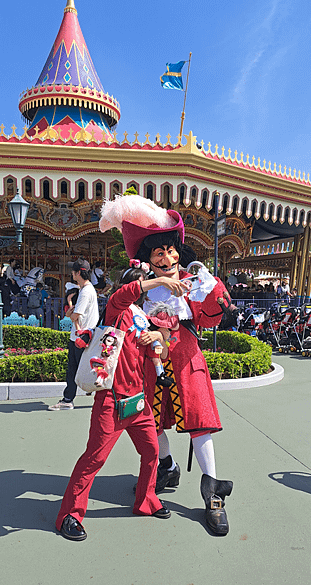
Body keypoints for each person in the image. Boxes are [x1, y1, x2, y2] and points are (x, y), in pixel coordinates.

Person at [99, 194, 233, 536]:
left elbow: (210, 317)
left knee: (200, 424)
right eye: (159, 253)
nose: (168, 258)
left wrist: (211, 286)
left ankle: (213, 494)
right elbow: (121, 316)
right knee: (151, 421)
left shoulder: (193, 283)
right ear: (148, 260)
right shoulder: (142, 290)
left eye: (171, 250)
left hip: (187, 361)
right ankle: (167, 466)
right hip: (150, 365)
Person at [55, 267, 187, 541]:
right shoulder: (116, 309)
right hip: (111, 401)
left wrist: (158, 338)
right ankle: (70, 514)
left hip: (138, 403)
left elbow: (163, 340)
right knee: (94, 458)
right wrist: (159, 280)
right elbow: (124, 294)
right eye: (139, 283)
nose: (143, 287)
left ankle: (146, 500)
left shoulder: (141, 317)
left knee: (152, 452)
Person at [49, 259, 99, 411]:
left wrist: (72, 314)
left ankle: (67, 399)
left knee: (74, 369)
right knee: (82, 368)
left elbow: (76, 314)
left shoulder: (85, 292)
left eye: (73, 271)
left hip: (80, 336)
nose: (71, 273)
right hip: (83, 335)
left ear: (78, 273)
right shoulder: (87, 289)